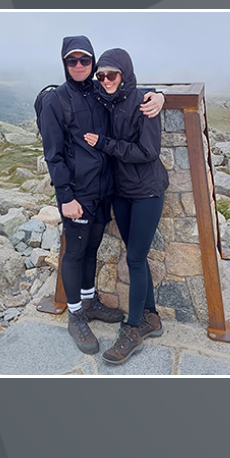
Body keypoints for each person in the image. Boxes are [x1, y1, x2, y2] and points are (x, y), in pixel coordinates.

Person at [39, 36, 162, 355]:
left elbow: (129, 94)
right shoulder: (56, 100)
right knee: (75, 251)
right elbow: (52, 153)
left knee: (92, 246)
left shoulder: (98, 93)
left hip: (105, 190)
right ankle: (76, 315)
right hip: (77, 193)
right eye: (71, 61)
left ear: (92, 63)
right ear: (64, 64)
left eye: (84, 61)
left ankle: (90, 301)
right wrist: (65, 196)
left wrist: (159, 97)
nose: (79, 66)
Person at [82, 48, 165, 364]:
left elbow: (148, 151)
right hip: (121, 192)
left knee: (134, 257)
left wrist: (160, 96)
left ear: (125, 74)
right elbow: (73, 90)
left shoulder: (144, 101)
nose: (105, 80)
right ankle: (151, 317)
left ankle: (132, 329)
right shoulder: (105, 98)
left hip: (146, 192)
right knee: (137, 255)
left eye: (111, 75)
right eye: (100, 75)